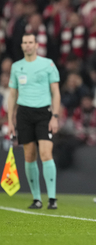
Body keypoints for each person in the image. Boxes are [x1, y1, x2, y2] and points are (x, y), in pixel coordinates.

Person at [7, 33, 60, 209]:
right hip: (24, 113)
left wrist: (55, 116)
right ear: (22, 46)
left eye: (31, 42)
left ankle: (52, 198)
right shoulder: (16, 67)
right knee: (29, 155)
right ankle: (37, 198)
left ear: (36, 45)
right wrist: (10, 121)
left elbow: (56, 92)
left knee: (46, 153)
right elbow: (12, 94)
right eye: (25, 42)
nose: (28, 45)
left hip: (44, 112)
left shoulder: (48, 64)